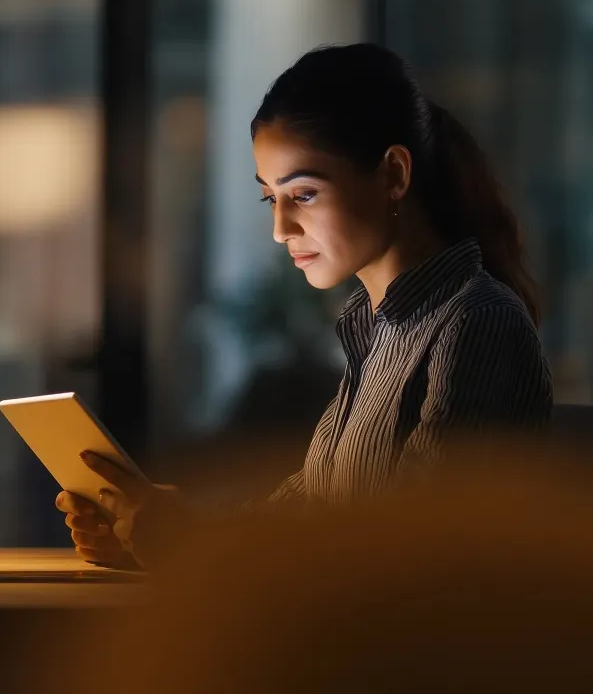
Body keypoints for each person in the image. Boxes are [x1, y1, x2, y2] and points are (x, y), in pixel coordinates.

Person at [57, 43, 553, 567]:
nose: (280, 229)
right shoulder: (378, 331)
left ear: (393, 175)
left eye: (305, 194)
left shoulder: (476, 323)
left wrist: (189, 540)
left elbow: (416, 557)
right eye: (272, 197)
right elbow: (308, 517)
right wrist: (155, 530)